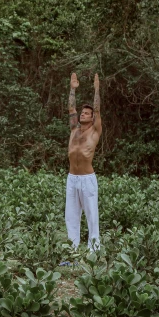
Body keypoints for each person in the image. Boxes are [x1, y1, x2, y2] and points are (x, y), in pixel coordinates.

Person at [65, 72, 102, 253]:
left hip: (87, 179)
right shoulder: (74, 129)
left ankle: (93, 251)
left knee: (91, 215)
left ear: (92, 117)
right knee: (71, 216)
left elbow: (97, 110)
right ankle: (72, 250)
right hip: (72, 178)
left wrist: (96, 90)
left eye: (87, 113)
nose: (83, 114)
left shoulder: (94, 131)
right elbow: (71, 108)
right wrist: (73, 89)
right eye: (83, 112)